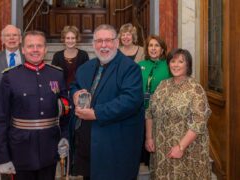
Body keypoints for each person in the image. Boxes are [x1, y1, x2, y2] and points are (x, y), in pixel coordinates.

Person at [70, 24, 145, 180]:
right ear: (93, 44)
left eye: (108, 40)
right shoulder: (85, 67)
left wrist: (96, 113)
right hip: (88, 145)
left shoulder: (130, 68)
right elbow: (74, 86)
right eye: (99, 41)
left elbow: (130, 100)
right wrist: (75, 94)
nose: (103, 45)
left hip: (115, 148)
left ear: (116, 43)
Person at [0, 31, 70, 180]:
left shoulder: (57, 74)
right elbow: (1, 119)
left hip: (50, 147)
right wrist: (2, 157)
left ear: (45, 49)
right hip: (20, 150)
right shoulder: (11, 77)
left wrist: (65, 137)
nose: (35, 49)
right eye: (30, 46)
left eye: (39, 46)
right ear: (23, 49)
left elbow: (65, 111)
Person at [145, 48, 212, 179]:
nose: (175, 65)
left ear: (188, 65)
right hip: (161, 148)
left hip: (188, 150)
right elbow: (149, 112)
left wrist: (181, 147)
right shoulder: (162, 85)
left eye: (181, 62)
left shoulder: (195, 89)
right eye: (173, 61)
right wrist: (149, 137)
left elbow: (199, 122)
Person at [138, 35, 171, 166]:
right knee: (143, 138)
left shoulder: (169, 66)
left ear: (162, 49)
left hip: (160, 111)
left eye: (157, 45)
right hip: (141, 109)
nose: (153, 48)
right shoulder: (140, 65)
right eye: (151, 45)